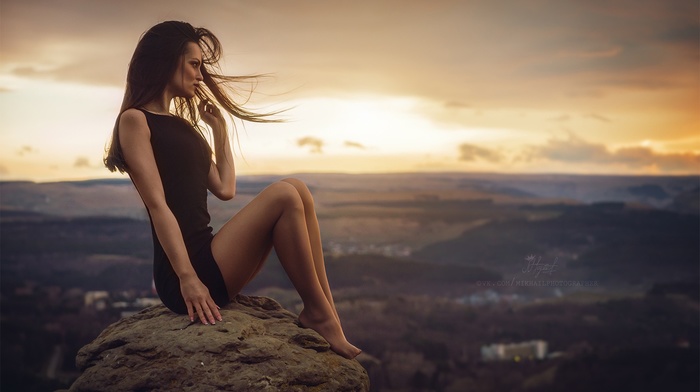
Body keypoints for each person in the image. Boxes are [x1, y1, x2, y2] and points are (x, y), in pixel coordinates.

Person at [104, 21, 361, 359]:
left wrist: (219, 132)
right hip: (185, 273)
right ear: (167, 61)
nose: (200, 75)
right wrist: (187, 278)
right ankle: (318, 314)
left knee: (297, 188)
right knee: (284, 194)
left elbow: (225, 188)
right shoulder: (135, 120)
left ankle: (326, 316)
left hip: (209, 255)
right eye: (194, 64)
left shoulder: (183, 126)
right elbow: (158, 207)